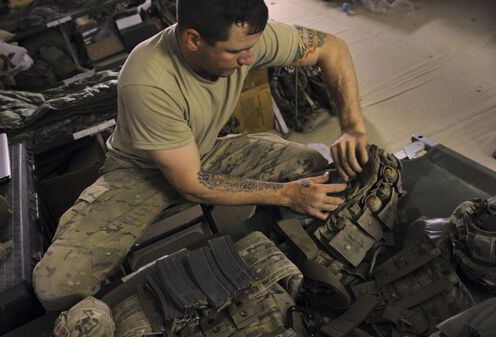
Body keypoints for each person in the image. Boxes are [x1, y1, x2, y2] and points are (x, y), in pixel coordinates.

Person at [33, 0, 368, 312]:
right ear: (193, 40)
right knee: (56, 286)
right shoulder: (147, 81)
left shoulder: (243, 37)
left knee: (311, 170)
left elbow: (332, 49)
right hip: (139, 174)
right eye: (237, 52)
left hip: (204, 150)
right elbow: (190, 185)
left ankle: (280, 252)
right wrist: (285, 194)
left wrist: (352, 128)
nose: (249, 60)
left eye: (253, 47)